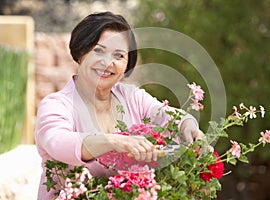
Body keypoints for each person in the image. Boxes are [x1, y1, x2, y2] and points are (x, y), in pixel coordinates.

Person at [35, 11, 204, 199]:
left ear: (127, 64)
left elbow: (166, 114)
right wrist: (115, 141)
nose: (108, 63)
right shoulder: (56, 105)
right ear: (80, 52)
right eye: (98, 50)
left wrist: (189, 126)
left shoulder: (131, 97)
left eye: (119, 55)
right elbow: (58, 142)